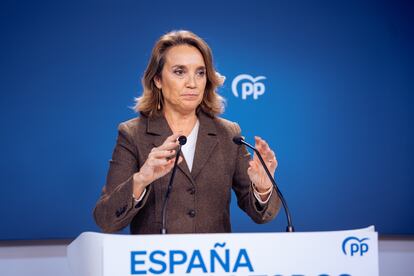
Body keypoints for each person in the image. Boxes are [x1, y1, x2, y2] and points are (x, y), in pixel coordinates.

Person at [93, 30, 281, 234]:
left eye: (200, 73)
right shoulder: (132, 134)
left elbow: (261, 215)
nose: (192, 83)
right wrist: (141, 180)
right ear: (157, 79)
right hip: (157, 263)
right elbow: (106, 220)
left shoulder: (228, 134)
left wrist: (263, 189)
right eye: (179, 72)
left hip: (214, 262)